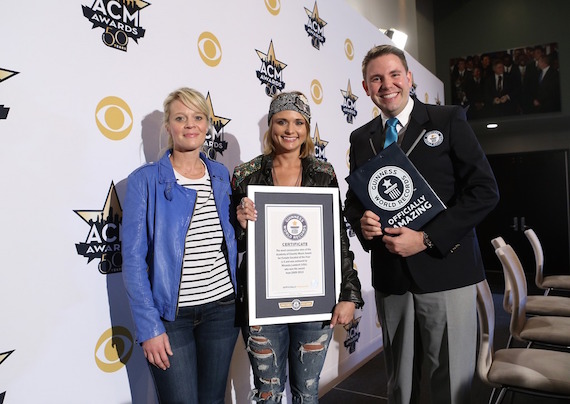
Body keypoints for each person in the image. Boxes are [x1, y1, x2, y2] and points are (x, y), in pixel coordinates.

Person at [344, 45, 499, 404]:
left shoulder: (447, 120)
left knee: (449, 381)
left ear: (409, 78)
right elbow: (356, 200)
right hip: (391, 279)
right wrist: (362, 222)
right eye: (376, 79)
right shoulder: (361, 138)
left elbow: (484, 191)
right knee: (400, 384)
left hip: (446, 272)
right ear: (366, 88)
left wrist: (427, 238)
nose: (387, 85)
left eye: (394, 75)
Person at [232, 91, 364, 403]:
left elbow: (337, 239)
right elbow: (237, 243)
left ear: (306, 129)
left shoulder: (323, 173)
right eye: (282, 121)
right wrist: (239, 223)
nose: (290, 130)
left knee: (306, 393)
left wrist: (348, 293)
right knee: (268, 392)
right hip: (261, 300)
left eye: (298, 122)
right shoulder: (245, 174)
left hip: (314, 298)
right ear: (270, 125)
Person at [122, 87, 239, 404]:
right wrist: (149, 327)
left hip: (223, 311)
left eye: (198, 117)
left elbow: (230, 238)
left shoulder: (219, 174)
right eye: (180, 117)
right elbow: (132, 262)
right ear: (169, 127)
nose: (191, 124)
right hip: (171, 319)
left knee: (213, 400)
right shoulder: (144, 181)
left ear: (207, 124)